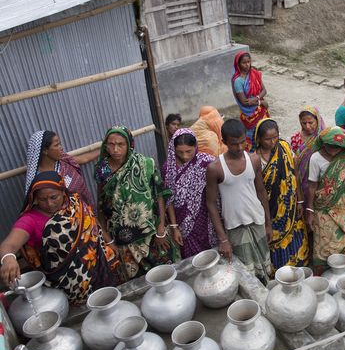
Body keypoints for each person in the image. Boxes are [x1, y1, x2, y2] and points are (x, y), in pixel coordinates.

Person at [0, 172, 120, 305]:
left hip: (100, 266)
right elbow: (10, 243)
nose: (49, 203)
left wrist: (109, 241)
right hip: (68, 283)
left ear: (63, 191)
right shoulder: (30, 220)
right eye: (42, 199)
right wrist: (8, 258)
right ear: (34, 198)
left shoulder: (75, 203)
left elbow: (92, 221)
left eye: (54, 197)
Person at [95, 126, 180, 279]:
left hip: (151, 235)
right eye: (111, 144)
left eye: (120, 144)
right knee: (138, 281)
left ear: (129, 145)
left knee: (164, 275)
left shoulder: (146, 164)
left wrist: (161, 229)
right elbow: (101, 204)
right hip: (124, 241)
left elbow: (159, 195)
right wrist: (108, 240)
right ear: (105, 145)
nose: (115, 149)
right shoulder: (102, 170)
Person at [206, 119, 272, 281]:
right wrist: (223, 239)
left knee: (265, 267)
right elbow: (211, 203)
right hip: (235, 227)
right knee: (245, 273)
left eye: (243, 142)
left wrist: (268, 224)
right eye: (235, 144)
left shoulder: (254, 160)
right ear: (224, 142)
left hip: (257, 220)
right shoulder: (215, 168)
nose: (240, 147)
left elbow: (261, 192)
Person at [253, 119, 309, 270]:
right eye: (267, 139)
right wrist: (266, 221)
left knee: (295, 234)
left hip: (290, 204)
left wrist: (299, 201)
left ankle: (299, 267)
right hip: (270, 210)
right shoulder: (255, 159)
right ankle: (280, 272)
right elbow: (259, 191)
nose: (272, 142)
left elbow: (295, 172)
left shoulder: (284, 147)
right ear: (258, 138)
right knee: (274, 240)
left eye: (275, 137)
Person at [305, 127, 345, 273]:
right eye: (330, 146)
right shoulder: (316, 158)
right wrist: (309, 210)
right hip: (323, 208)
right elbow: (312, 185)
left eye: (338, 147)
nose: (334, 150)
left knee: (344, 239)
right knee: (325, 242)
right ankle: (323, 273)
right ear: (323, 143)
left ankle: (344, 272)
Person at [162, 129, 216, 259]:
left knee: (212, 254)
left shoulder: (206, 162)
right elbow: (169, 200)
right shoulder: (168, 169)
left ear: (195, 146)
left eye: (188, 151)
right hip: (182, 223)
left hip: (205, 217)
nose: (185, 156)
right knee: (193, 259)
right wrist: (174, 227)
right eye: (180, 152)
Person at [24, 130, 94, 206]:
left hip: (86, 209)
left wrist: (103, 149)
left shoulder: (63, 160)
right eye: (56, 145)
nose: (61, 148)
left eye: (60, 144)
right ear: (45, 151)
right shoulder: (40, 181)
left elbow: (84, 159)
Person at [231, 51, 269, 150]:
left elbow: (264, 90)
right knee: (253, 139)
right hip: (249, 115)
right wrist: (261, 102)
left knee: (265, 134)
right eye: (244, 63)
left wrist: (256, 99)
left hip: (261, 110)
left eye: (249, 61)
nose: (247, 65)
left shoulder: (254, 73)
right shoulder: (238, 81)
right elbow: (245, 102)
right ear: (238, 64)